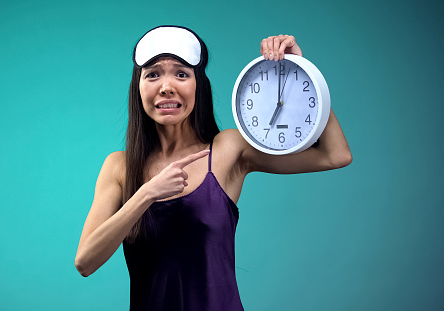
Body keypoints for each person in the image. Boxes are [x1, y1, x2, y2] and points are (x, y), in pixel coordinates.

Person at [75, 25, 352, 310]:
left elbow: (335, 155)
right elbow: (85, 262)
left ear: (199, 85)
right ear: (138, 88)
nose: (166, 86)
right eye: (153, 74)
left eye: (181, 74)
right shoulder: (119, 167)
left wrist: (300, 70)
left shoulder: (227, 149)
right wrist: (146, 195)